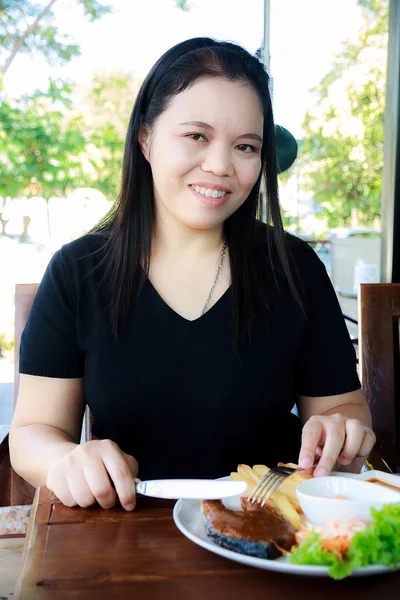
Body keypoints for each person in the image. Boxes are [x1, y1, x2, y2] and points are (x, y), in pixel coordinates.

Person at [9, 38, 375, 512]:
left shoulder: (294, 267)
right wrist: (66, 459)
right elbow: (32, 435)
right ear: (145, 139)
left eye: (246, 146)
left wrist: (339, 430)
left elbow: (341, 408)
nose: (220, 166)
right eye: (196, 136)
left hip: (270, 534)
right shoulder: (79, 271)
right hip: (124, 535)